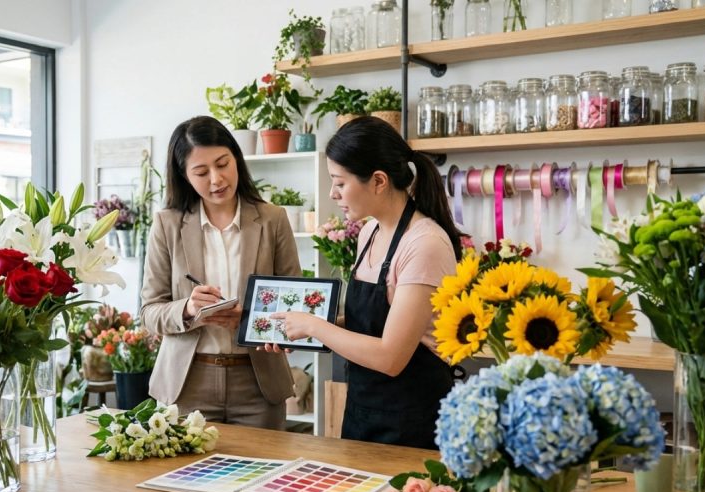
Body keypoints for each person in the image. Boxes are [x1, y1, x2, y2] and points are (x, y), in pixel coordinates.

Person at [269, 115, 464, 449]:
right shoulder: (370, 232)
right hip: (362, 413)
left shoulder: (425, 244)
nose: (332, 193)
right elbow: (369, 326)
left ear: (378, 181)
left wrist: (316, 327)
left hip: (412, 421)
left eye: (340, 182)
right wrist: (299, 330)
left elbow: (390, 356)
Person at [139, 115, 302, 429]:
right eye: (201, 172)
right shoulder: (167, 224)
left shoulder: (273, 219)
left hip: (259, 380)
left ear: (236, 159)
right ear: (184, 176)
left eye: (223, 164)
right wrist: (187, 308)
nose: (216, 179)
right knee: (187, 477)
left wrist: (248, 320)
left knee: (264, 474)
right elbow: (149, 312)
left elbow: (293, 305)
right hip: (187, 381)